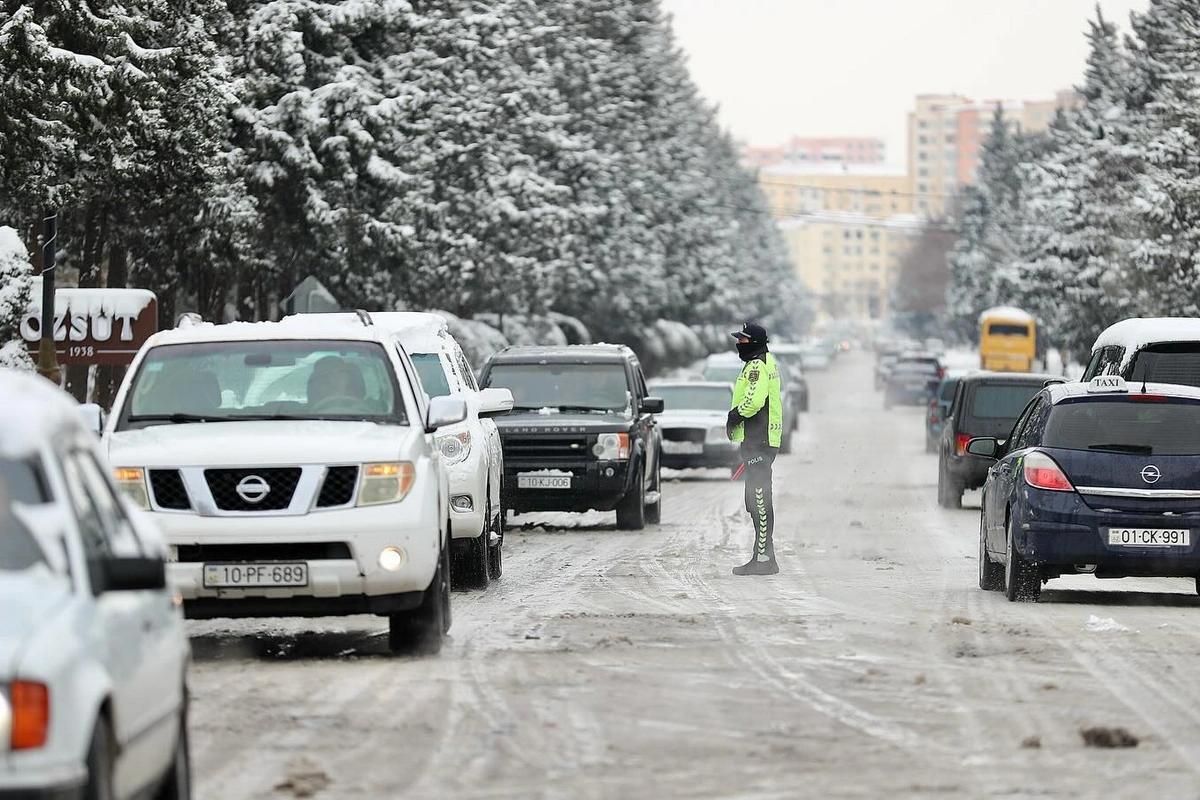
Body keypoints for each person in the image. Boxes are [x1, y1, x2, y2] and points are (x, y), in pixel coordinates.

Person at [725, 321, 784, 576]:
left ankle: (764, 559)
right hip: (758, 440)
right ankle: (762, 556)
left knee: (758, 499)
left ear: (755, 343)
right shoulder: (761, 362)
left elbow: (755, 400)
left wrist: (735, 415)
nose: (739, 344)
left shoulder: (757, 366)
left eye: (744, 341)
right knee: (755, 499)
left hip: (758, 440)